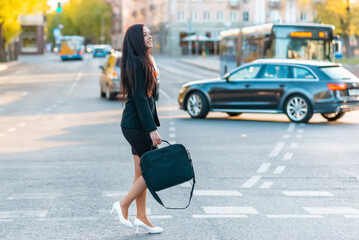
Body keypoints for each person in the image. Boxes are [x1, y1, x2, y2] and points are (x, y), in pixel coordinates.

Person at [110, 24, 163, 234]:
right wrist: (152, 130)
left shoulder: (141, 61)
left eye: (150, 34)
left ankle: (142, 217)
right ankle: (123, 204)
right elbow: (141, 99)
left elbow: (146, 97)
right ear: (135, 40)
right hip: (138, 126)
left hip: (133, 124)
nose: (149, 37)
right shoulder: (139, 64)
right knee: (153, 169)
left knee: (141, 172)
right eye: (144, 35)